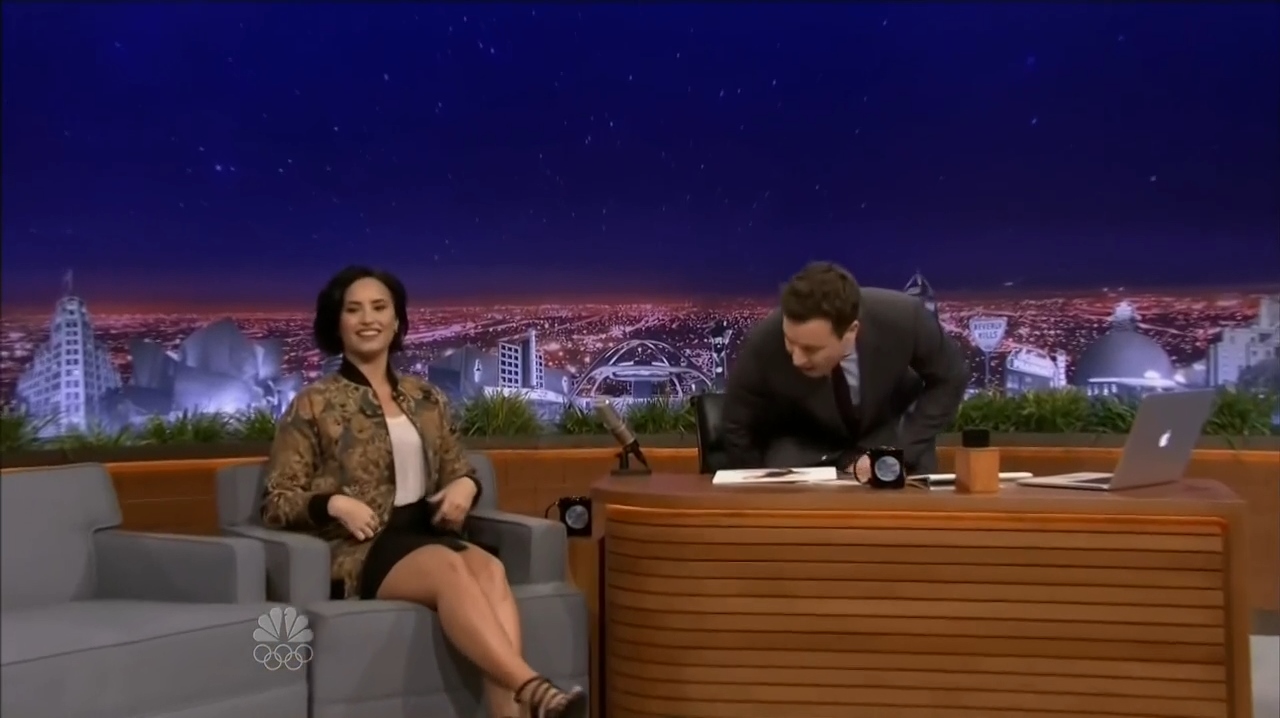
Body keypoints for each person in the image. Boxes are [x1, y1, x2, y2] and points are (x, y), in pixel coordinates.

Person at [261, 266, 586, 718]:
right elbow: (277, 499)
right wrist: (334, 503)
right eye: (354, 310)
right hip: (362, 546)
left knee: (490, 569)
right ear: (337, 323)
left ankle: (510, 712)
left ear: (396, 321)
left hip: (425, 530)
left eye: (379, 307)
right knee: (449, 567)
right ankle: (532, 688)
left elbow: (460, 469)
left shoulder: (426, 397)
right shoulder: (313, 403)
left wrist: (466, 487)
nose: (368, 319)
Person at [722, 261, 969, 477]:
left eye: (810, 349)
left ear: (851, 332)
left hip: (891, 437)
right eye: (790, 342)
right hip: (805, 450)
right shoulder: (765, 340)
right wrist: (755, 491)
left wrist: (901, 450)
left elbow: (950, 377)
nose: (797, 359)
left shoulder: (904, 319)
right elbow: (736, 423)